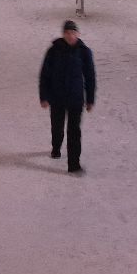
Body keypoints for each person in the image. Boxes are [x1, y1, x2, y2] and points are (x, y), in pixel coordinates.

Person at [39, 20, 96, 175]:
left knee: (74, 132)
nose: (70, 36)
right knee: (57, 127)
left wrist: (90, 99)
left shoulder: (84, 52)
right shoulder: (54, 50)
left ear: (77, 34)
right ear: (63, 34)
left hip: (75, 98)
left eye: (73, 33)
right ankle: (56, 147)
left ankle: (74, 164)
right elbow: (45, 74)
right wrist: (44, 96)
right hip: (57, 97)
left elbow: (90, 76)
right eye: (67, 33)